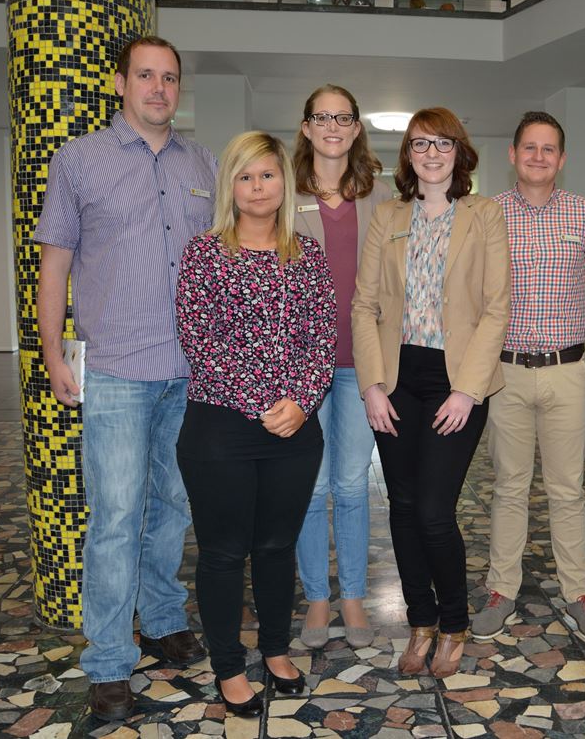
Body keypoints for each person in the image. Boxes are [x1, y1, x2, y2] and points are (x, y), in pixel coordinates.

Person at [35, 36, 215, 721]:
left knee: (173, 507)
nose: (159, 88)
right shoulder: (79, 160)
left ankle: (163, 617)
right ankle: (109, 661)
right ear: (120, 83)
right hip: (115, 369)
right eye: (146, 75)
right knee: (113, 518)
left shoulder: (202, 162)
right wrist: (53, 354)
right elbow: (55, 263)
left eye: (170, 77)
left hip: (189, 373)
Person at [175, 131, 336, 717]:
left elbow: (322, 337)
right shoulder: (204, 252)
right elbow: (198, 340)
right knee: (222, 553)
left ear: (283, 183)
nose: (258, 187)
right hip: (220, 428)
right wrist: (262, 400)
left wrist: (300, 401)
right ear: (231, 187)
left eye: (267, 175)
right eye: (246, 177)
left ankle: (273, 649)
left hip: (295, 430)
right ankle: (226, 667)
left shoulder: (307, 254)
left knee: (275, 546)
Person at [351, 107, 510, 678]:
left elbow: (496, 309)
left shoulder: (484, 215)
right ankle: (420, 622)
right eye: (421, 144)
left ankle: (454, 622)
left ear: (460, 152)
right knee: (403, 506)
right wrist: (371, 384)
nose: (432, 153)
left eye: (443, 143)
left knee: (436, 512)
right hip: (396, 380)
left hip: (457, 382)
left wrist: (467, 391)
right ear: (408, 154)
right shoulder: (387, 216)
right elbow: (364, 305)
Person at [472, 111, 585, 647]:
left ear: (562, 158)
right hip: (505, 372)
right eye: (528, 147)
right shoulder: (487, 214)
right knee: (508, 487)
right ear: (511, 154)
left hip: (567, 371)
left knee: (567, 489)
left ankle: (579, 593)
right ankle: (501, 590)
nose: (537, 156)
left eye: (548, 148)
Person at [292, 84, 392, 650]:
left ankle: (353, 596)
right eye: (321, 117)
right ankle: (317, 598)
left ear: (356, 128)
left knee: (352, 486)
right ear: (306, 127)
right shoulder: (284, 195)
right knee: (310, 486)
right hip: (301, 369)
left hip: (361, 364)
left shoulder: (379, 198)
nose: (333, 126)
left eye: (344, 117)